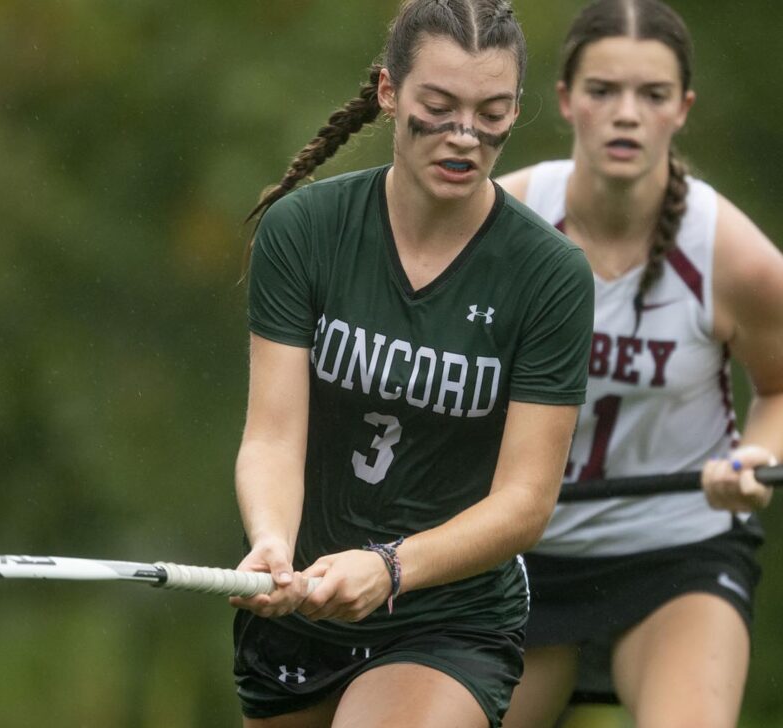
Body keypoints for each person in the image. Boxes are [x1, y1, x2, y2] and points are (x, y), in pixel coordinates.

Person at [228, 2, 595, 727]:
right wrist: (270, 538)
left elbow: (525, 502)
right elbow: (272, 436)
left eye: (491, 112)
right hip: (302, 604)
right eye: (439, 106)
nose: (465, 136)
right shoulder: (303, 232)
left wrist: (391, 568)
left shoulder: (549, 276)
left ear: (516, 110)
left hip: (447, 619)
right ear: (390, 93)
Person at [495, 1, 783, 726]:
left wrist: (756, 456)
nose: (626, 115)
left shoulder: (736, 259)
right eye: (603, 91)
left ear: (683, 109)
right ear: (564, 100)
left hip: (679, 551)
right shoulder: (501, 225)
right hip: (517, 552)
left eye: (653, 95)